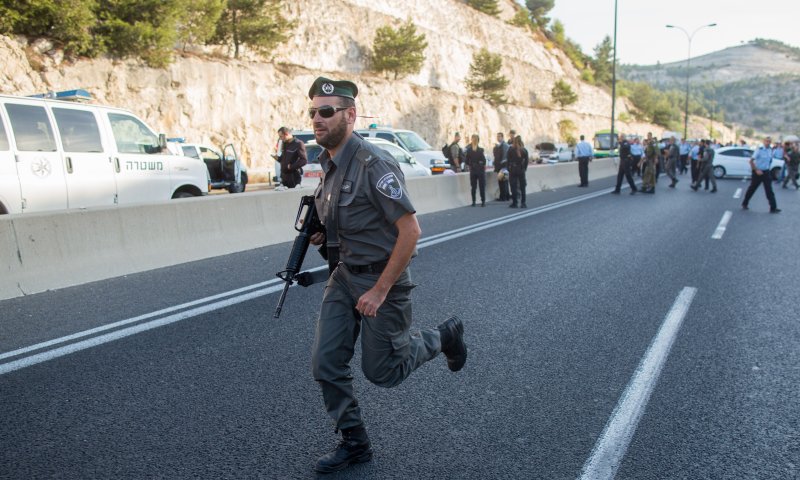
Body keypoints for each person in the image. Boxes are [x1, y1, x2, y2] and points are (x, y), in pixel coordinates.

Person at [304, 77, 467, 474]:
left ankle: (443, 336)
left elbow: (410, 231)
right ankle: (354, 443)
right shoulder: (326, 165)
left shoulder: (373, 164)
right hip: (343, 277)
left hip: (382, 282)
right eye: (312, 112)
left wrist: (379, 290)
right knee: (325, 364)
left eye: (326, 112)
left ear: (350, 115)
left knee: (383, 372)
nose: (317, 120)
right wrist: (323, 236)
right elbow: (346, 225)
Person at [742, 136, 780, 213]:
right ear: (763, 141)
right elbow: (751, 161)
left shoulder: (770, 150)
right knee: (752, 189)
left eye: (769, 141)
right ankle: (745, 203)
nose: (768, 143)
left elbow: (769, 161)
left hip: (766, 172)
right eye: (766, 141)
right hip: (757, 172)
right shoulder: (759, 150)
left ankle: (773, 207)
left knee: (769, 190)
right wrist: (756, 170)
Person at [465, 134, 487, 206]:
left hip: (474, 170)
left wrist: (471, 164)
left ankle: (474, 202)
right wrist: (479, 164)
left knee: (474, 187)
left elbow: (466, 161)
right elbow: (484, 161)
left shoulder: (469, 150)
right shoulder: (480, 150)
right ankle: (482, 201)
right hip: (479, 170)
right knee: (481, 186)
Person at [507, 135, 528, 208]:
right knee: (522, 187)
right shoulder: (524, 150)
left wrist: (509, 169)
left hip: (513, 169)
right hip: (521, 169)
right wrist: (524, 169)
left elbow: (508, 161)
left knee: (513, 187)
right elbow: (526, 162)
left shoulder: (511, 149)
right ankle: (523, 202)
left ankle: (515, 202)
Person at [493, 132, 511, 200]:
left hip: (503, 166)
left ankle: (503, 196)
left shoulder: (505, 145)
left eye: (499, 136)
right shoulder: (498, 146)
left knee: (503, 181)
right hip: (501, 166)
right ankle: (506, 196)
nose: (498, 138)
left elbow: (504, 156)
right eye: (497, 136)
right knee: (503, 181)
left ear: (502, 137)